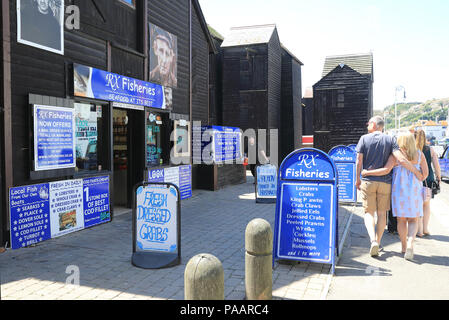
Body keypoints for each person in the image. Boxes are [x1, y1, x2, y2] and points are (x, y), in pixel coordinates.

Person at [356, 116, 421, 257]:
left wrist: (357, 179)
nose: (367, 125)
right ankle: (378, 242)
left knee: (368, 213)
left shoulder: (364, 138)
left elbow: (358, 160)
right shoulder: (390, 139)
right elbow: (401, 159)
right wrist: (416, 171)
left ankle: (373, 240)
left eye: (368, 123)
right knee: (381, 214)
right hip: (385, 183)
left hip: (368, 181)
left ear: (373, 124)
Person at [415, 130, 442, 237]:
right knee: (426, 204)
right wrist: (438, 177)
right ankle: (425, 228)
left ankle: (419, 230)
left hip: (416, 179)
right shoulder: (430, 149)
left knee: (418, 204)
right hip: (429, 179)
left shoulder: (413, 150)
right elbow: (436, 165)